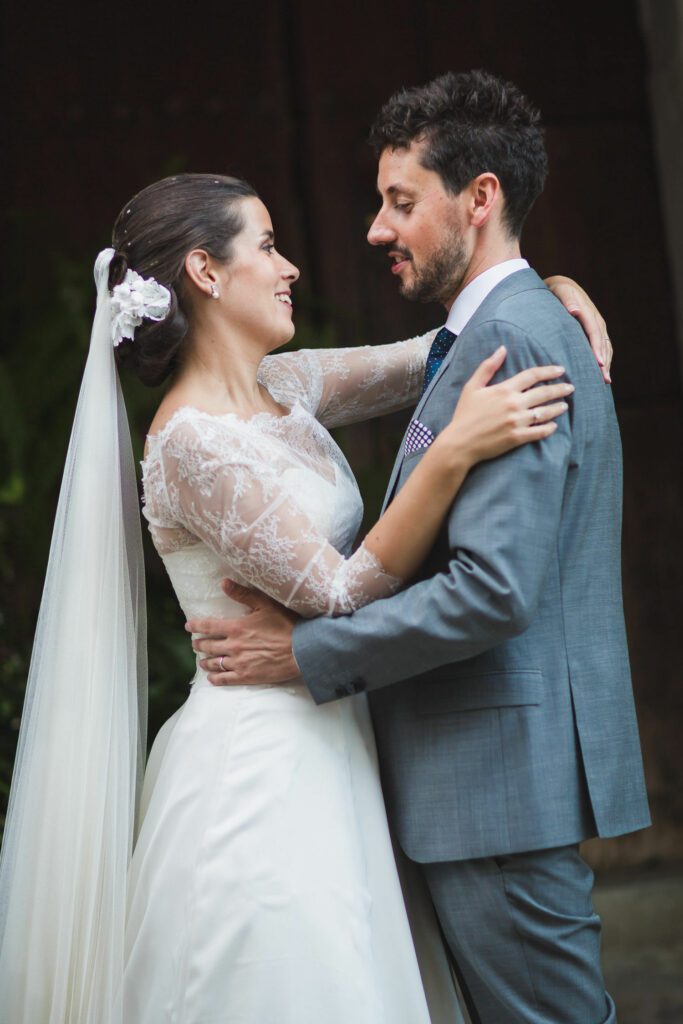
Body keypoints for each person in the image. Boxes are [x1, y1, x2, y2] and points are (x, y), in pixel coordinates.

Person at [0, 164, 608, 1024]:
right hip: (260, 764)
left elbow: (441, 351)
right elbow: (338, 590)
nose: (291, 269)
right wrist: (451, 452)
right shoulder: (189, 444)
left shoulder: (283, 385)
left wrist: (544, 289)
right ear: (206, 273)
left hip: (339, 739)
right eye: (270, 246)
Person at [189, 71, 651, 1024]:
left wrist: (302, 653)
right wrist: (554, 283)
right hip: (480, 779)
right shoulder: (492, 332)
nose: (373, 229)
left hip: (497, 783)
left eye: (400, 202)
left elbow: (491, 591)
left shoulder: (513, 344)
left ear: (479, 199)